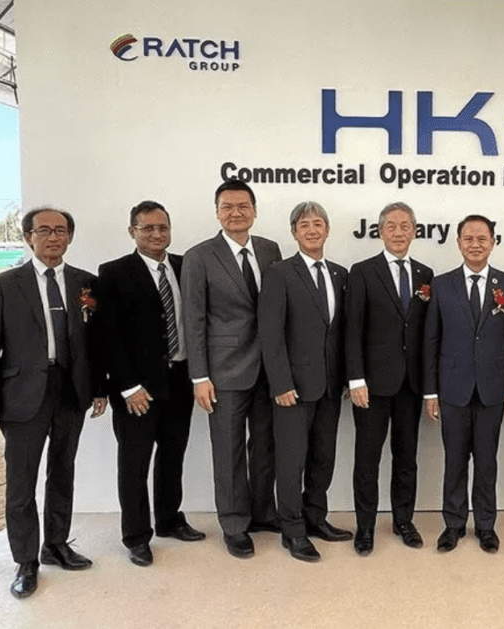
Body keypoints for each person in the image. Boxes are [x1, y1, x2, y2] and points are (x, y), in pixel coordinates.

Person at [0, 207, 107, 599]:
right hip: (22, 395)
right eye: (43, 230)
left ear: (70, 236)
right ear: (28, 237)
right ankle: (26, 561)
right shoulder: (3, 285)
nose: (53, 237)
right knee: (21, 482)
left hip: (71, 391)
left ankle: (56, 545)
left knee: (62, 472)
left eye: (60, 230)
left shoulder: (86, 284)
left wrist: (98, 388)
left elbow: (95, 343)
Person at [98, 201, 204, 567]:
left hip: (179, 381)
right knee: (134, 464)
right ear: (133, 232)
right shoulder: (113, 272)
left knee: (172, 456)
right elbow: (108, 335)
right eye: (148, 228)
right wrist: (128, 386)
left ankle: (170, 520)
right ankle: (136, 536)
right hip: (137, 389)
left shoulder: (185, 266)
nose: (157, 234)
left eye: (163, 227)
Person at [180, 180, 282, 559]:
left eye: (243, 206)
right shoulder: (199, 256)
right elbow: (193, 320)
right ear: (217, 212)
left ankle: (263, 512)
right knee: (228, 450)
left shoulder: (270, 249)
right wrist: (199, 376)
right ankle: (235, 524)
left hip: (268, 368)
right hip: (223, 371)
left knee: (265, 445)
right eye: (228, 207)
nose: (236, 213)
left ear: (254, 211)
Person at [423, 215, 504, 553]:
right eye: (469, 238)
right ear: (458, 242)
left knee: (486, 462)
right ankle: (453, 525)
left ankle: (485, 525)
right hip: (452, 387)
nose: (476, 244)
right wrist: (430, 391)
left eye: (482, 238)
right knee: (454, 461)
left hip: (493, 388)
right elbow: (431, 340)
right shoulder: (442, 285)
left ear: (493, 242)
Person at [259, 201, 350, 562]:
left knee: (323, 458)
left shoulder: (340, 274)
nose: (312, 230)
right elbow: (271, 334)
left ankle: (316, 518)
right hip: (293, 388)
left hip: (330, 386)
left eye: (318, 224)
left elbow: (341, 332)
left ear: (327, 230)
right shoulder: (279, 273)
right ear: (294, 232)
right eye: (304, 225)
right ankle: (292, 530)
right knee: (291, 461)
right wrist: (281, 383)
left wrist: (346, 379)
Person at [345, 202, 433, 556]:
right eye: (391, 226)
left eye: (405, 226)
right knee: (367, 459)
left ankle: (403, 520)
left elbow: (425, 333)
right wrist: (355, 379)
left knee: (406, 457)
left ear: (414, 231)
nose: (398, 232)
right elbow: (352, 329)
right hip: (372, 384)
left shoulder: (426, 274)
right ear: (380, 231)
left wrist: (429, 386)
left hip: (410, 384)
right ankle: (365, 526)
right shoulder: (363, 271)